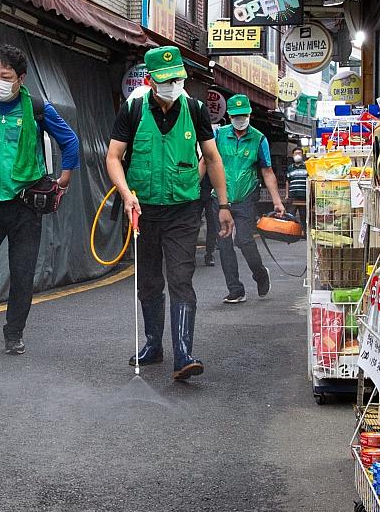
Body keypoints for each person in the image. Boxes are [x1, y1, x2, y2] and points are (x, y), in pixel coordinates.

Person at [105, 46, 232, 381]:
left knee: (180, 277)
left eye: (177, 78)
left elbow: (213, 158)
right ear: (149, 80)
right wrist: (125, 194)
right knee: (148, 280)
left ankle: (183, 353)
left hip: (183, 210)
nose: (172, 85)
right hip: (143, 210)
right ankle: (152, 344)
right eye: (165, 80)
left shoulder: (196, 109)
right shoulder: (132, 109)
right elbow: (113, 157)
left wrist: (223, 204)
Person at [0, 44, 80, 357]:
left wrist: (65, 176)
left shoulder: (36, 109)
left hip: (24, 205)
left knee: (21, 272)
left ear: (21, 78)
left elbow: (70, 141)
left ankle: (14, 333)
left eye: (5, 76)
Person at [214, 95, 287, 304]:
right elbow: (206, 161)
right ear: (229, 116)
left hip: (245, 198)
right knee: (224, 243)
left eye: (243, 115)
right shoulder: (218, 135)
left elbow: (267, 171)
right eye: (236, 115)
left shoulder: (259, 139)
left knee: (244, 240)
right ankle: (235, 290)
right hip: (219, 198)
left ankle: (260, 273)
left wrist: (277, 201)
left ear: (250, 115)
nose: (240, 119)